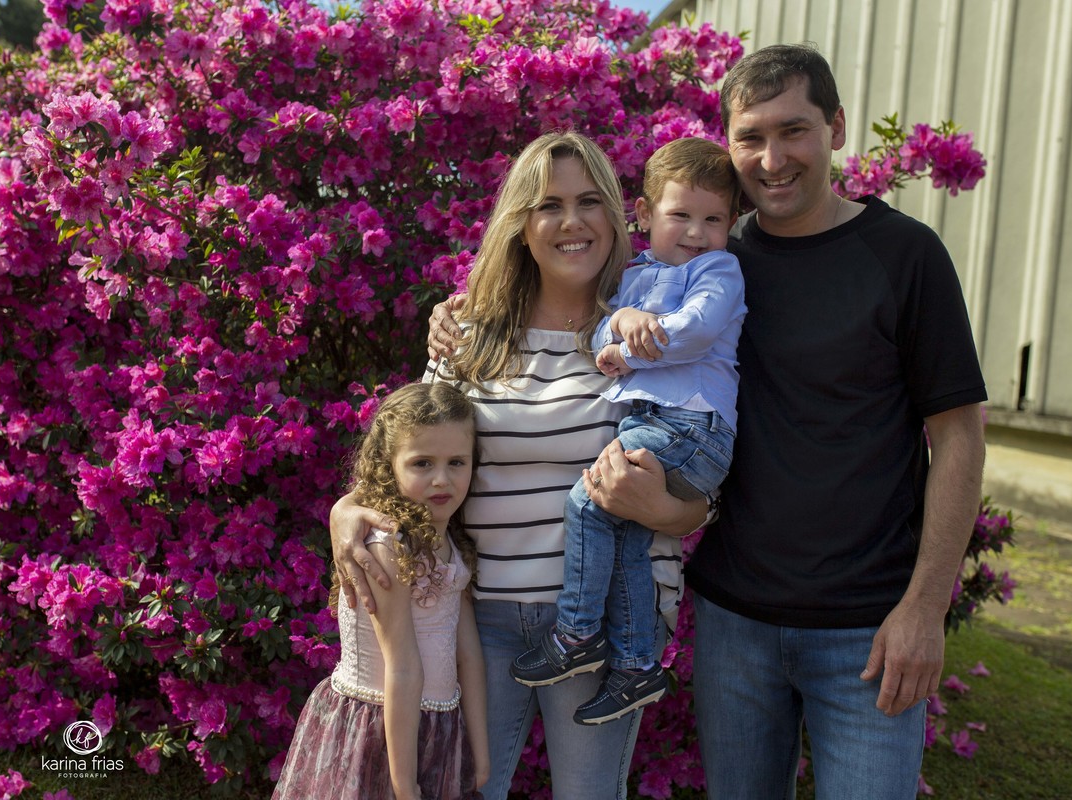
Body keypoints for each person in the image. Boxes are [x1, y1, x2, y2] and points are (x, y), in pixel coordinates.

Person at [331, 131, 710, 800]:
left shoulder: (651, 333)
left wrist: (672, 512)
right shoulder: (466, 338)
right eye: (548, 204)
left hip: (606, 618)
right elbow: (410, 463)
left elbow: (700, 489)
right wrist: (348, 508)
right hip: (480, 618)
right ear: (521, 226)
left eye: (590, 201)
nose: (572, 222)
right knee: (465, 788)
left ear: (615, 217)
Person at [682, 44, 988, 798]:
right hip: (734, 625)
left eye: (794, 130)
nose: (772, 158)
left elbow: (958, 434)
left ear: (838, 128)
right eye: (750, 137)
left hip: (871, 632)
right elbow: (576, 302)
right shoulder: (714, 258)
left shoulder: (906, 256)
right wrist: (463, 325)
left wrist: (924, 608)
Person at [509, 137, 746, 727]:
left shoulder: (718, 268)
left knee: (589, 503)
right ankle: (639, 664)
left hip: (692, 427)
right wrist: (618, 321)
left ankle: (576, 633)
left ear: (731, 225)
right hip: (656, 425)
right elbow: (597, 340)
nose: (696, 232)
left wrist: (632, 347)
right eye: (681, 216)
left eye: (713, 219)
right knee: (628, 538)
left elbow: (694, 330)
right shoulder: (635, 274)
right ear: (644, 216)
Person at [273, 382, 489, 800]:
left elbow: (469, 654)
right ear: (390, 465)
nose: (442, 479)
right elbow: (403, 665)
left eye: (457, 462)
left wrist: (480, 754)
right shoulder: (386, 547)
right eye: (422, 463)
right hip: (376, 729)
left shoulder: (452, 546)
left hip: (437, 727)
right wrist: (404, 785)